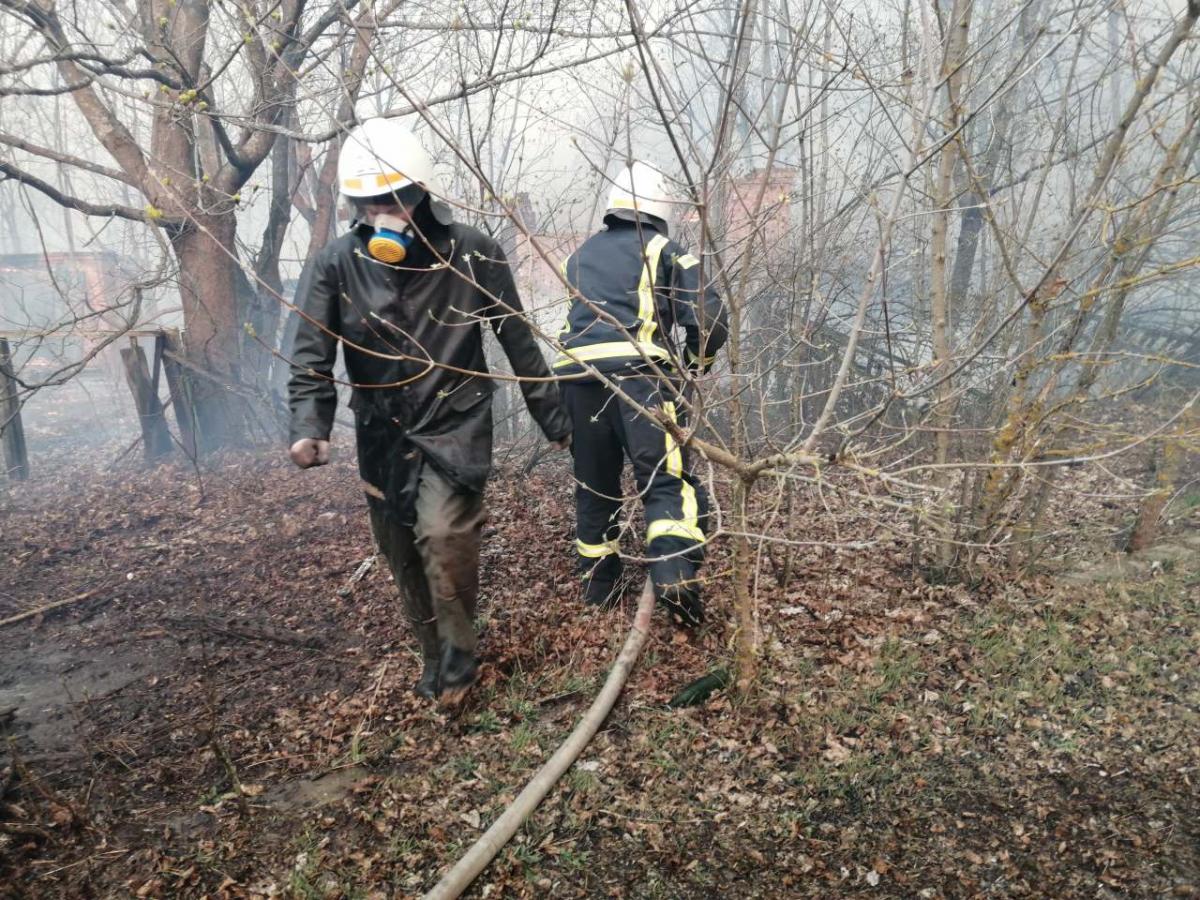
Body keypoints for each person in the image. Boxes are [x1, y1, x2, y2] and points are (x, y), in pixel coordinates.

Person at [287, 117, 571, 702]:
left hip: (454, 426)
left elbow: (517, 338)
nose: (382, 215)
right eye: (368, 205)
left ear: (420, 192)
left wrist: (554, 417)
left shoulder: (473, 254)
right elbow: (311, 351)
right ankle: (434, 657)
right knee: (402, 554)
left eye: (393, 199)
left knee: (443, 538)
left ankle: (459, 669)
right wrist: (309, 425)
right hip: (381, 433)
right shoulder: (335, 264)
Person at [554, 162, 727, 626]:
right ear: (658, 211)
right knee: (663, 481)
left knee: (595, 486)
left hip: (578, 383)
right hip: (640, 380)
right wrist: (696, 367)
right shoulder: (666, 250)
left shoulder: (580, 255)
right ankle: (672, 572)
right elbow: (709, 321)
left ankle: (600, 589)